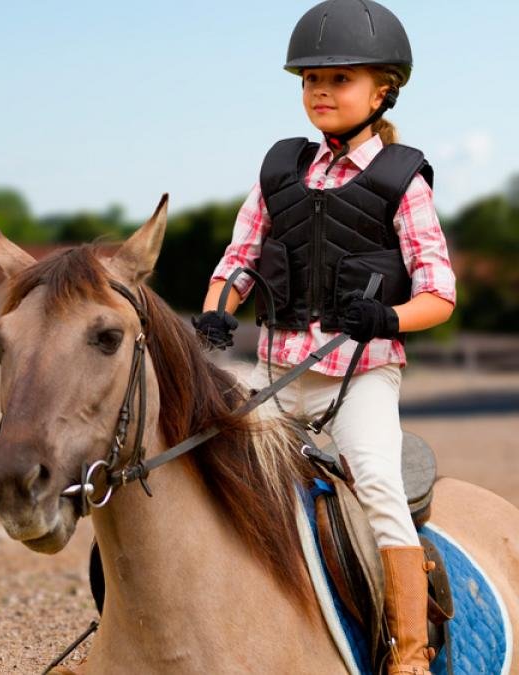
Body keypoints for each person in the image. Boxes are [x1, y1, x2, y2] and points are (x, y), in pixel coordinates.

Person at [194, 1, 456, 672]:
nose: (322, 91)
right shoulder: (279, 172)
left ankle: (409, 652)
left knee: (380, 489)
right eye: (312, 79)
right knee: (195, 459)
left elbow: (439, 293)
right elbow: (239, 261)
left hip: (360, 375)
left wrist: (389, 318)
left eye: (341, 79)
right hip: (276, 373)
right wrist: (219, 310)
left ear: (382, 91)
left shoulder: (402, 181)